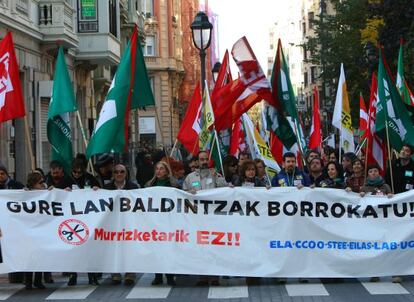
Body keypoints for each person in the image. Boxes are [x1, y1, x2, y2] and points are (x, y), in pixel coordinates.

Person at [183, 151, 227, 286]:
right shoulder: (190, 178)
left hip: (213, 218)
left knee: (214, 246)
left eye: (206, 159)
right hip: (197, 218)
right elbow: (183, 193)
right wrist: (188, 193)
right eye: (201, 159)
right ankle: (202, 276)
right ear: (197, 162)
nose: (204, 161)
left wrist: (217, 178)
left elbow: (225, 189)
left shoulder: (215, 175)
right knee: (200, 247)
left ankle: (214, 276)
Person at [104, 164, 139, 285]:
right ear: (113, 174)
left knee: (129, 247)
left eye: (122, 172)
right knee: (114, 247)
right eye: (116, 172)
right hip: (112, 223)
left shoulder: (133, 187)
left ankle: (130, 273)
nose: (119, 174)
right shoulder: (106, 188)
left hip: (129, 222)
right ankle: (115, 273)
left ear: (126, 173)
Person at [145, 161, 179, 286]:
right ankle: (158, 276)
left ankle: (170, 276)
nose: (158, 171)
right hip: (154, 221)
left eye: (161, 169)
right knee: (156, 249)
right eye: (157, 169)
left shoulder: (173, 184)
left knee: (169, 249)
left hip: (169, 221)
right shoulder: (149, 184)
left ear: (166, 171)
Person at [360, 164, 393, 283]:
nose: (373, 173)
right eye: (371, 171)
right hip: (370, 223)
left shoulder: (385, 186)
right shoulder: (365, 187)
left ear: (379, 173)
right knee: (372, 248)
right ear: (368, 174)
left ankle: (394, 272)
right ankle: (374, 273)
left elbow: (392, 199)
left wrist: (390, 195)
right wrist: (361, 195)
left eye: (375, 171)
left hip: (384, 223)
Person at [0, 164, 24, 284]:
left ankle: (17, 275)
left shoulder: (16, 185)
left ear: (6, 174)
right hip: (2, 223)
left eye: (2, 174)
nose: (0, 177)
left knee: (15, 248)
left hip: (15, 223)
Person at [24, 172, 47, 290]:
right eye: (40, 182)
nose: (43, 184)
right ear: (33, 184)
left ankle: (38, 280)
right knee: (29, 256)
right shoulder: (24, 194)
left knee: (40, 255)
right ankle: (28, 281)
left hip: (41, 228)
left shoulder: (45, 193)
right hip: (28, 229)